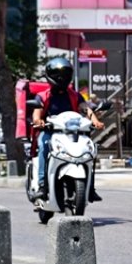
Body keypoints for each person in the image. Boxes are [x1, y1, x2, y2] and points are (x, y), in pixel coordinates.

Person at [31, 57, 103, 200]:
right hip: (50, 132)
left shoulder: (75, 95)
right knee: (43, 146)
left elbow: (86, 109)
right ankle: (41, 184)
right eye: (57, 74)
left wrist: (95, 121)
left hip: (72, 134)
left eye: (64, 74)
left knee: (90, 150)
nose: (61, 78)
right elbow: (36, 112)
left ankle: (90, 187)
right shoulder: (43, 96)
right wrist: (38, 121)